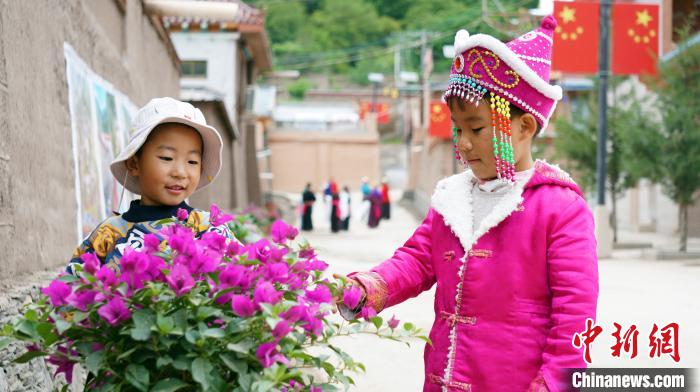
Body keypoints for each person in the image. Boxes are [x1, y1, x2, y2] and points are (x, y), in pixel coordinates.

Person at [339, 17, 598, 392]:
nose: (462, 143)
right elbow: (414, 260)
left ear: (524, 128)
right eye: (458, 129)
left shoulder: (560, 209)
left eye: (476, 129)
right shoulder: (452, 199)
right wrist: (366, 288)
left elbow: (576, 316)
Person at [67, 97, 236, 272]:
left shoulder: (208, 228)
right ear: (134, 164)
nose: (180, 172)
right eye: (166, 158)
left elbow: (242, 276)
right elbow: (75, 283)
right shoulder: (109, 234)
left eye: (192, 161)